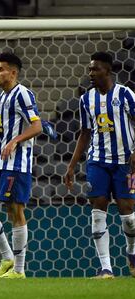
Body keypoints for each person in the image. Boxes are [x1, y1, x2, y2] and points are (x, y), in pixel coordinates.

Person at [65, 52, 135, 279]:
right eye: (89, 69)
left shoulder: (125, 95)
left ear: (108, 70)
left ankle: (132, 253)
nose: (90, 73)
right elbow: (85, 133)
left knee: (129, 216)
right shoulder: (86, 99)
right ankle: (106, 268)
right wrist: (72, 165)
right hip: (98, 161)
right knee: (98, 212)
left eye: (95, 69)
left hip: (126, 162)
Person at [0, 52, 42, 279]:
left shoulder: (23, 94)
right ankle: (6, 258)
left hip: (17, 163)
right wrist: (0, 141)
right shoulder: (2, 96)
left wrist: (14, 141)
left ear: (13, 73)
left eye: (1, 69)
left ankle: (19, 270)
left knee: (14, 210)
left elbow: (36, 126)